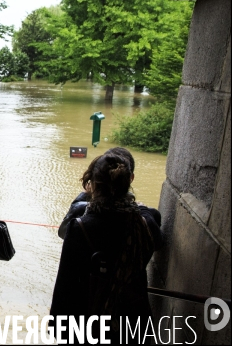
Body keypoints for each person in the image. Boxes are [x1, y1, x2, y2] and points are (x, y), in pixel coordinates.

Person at [50, 152, 163, 344]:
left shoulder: (81, 226)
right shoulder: (146, 223)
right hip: (133, 322)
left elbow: (65, 286)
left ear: (92, 184)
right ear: (130, 180)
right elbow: (152, 221)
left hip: (91, 323)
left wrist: (58, 329)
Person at [58, 147, 139, 239]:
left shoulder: (81, 214)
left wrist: (84, 195)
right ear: (130, 178)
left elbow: (63, 232)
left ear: (95, 178)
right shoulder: (144, 216)